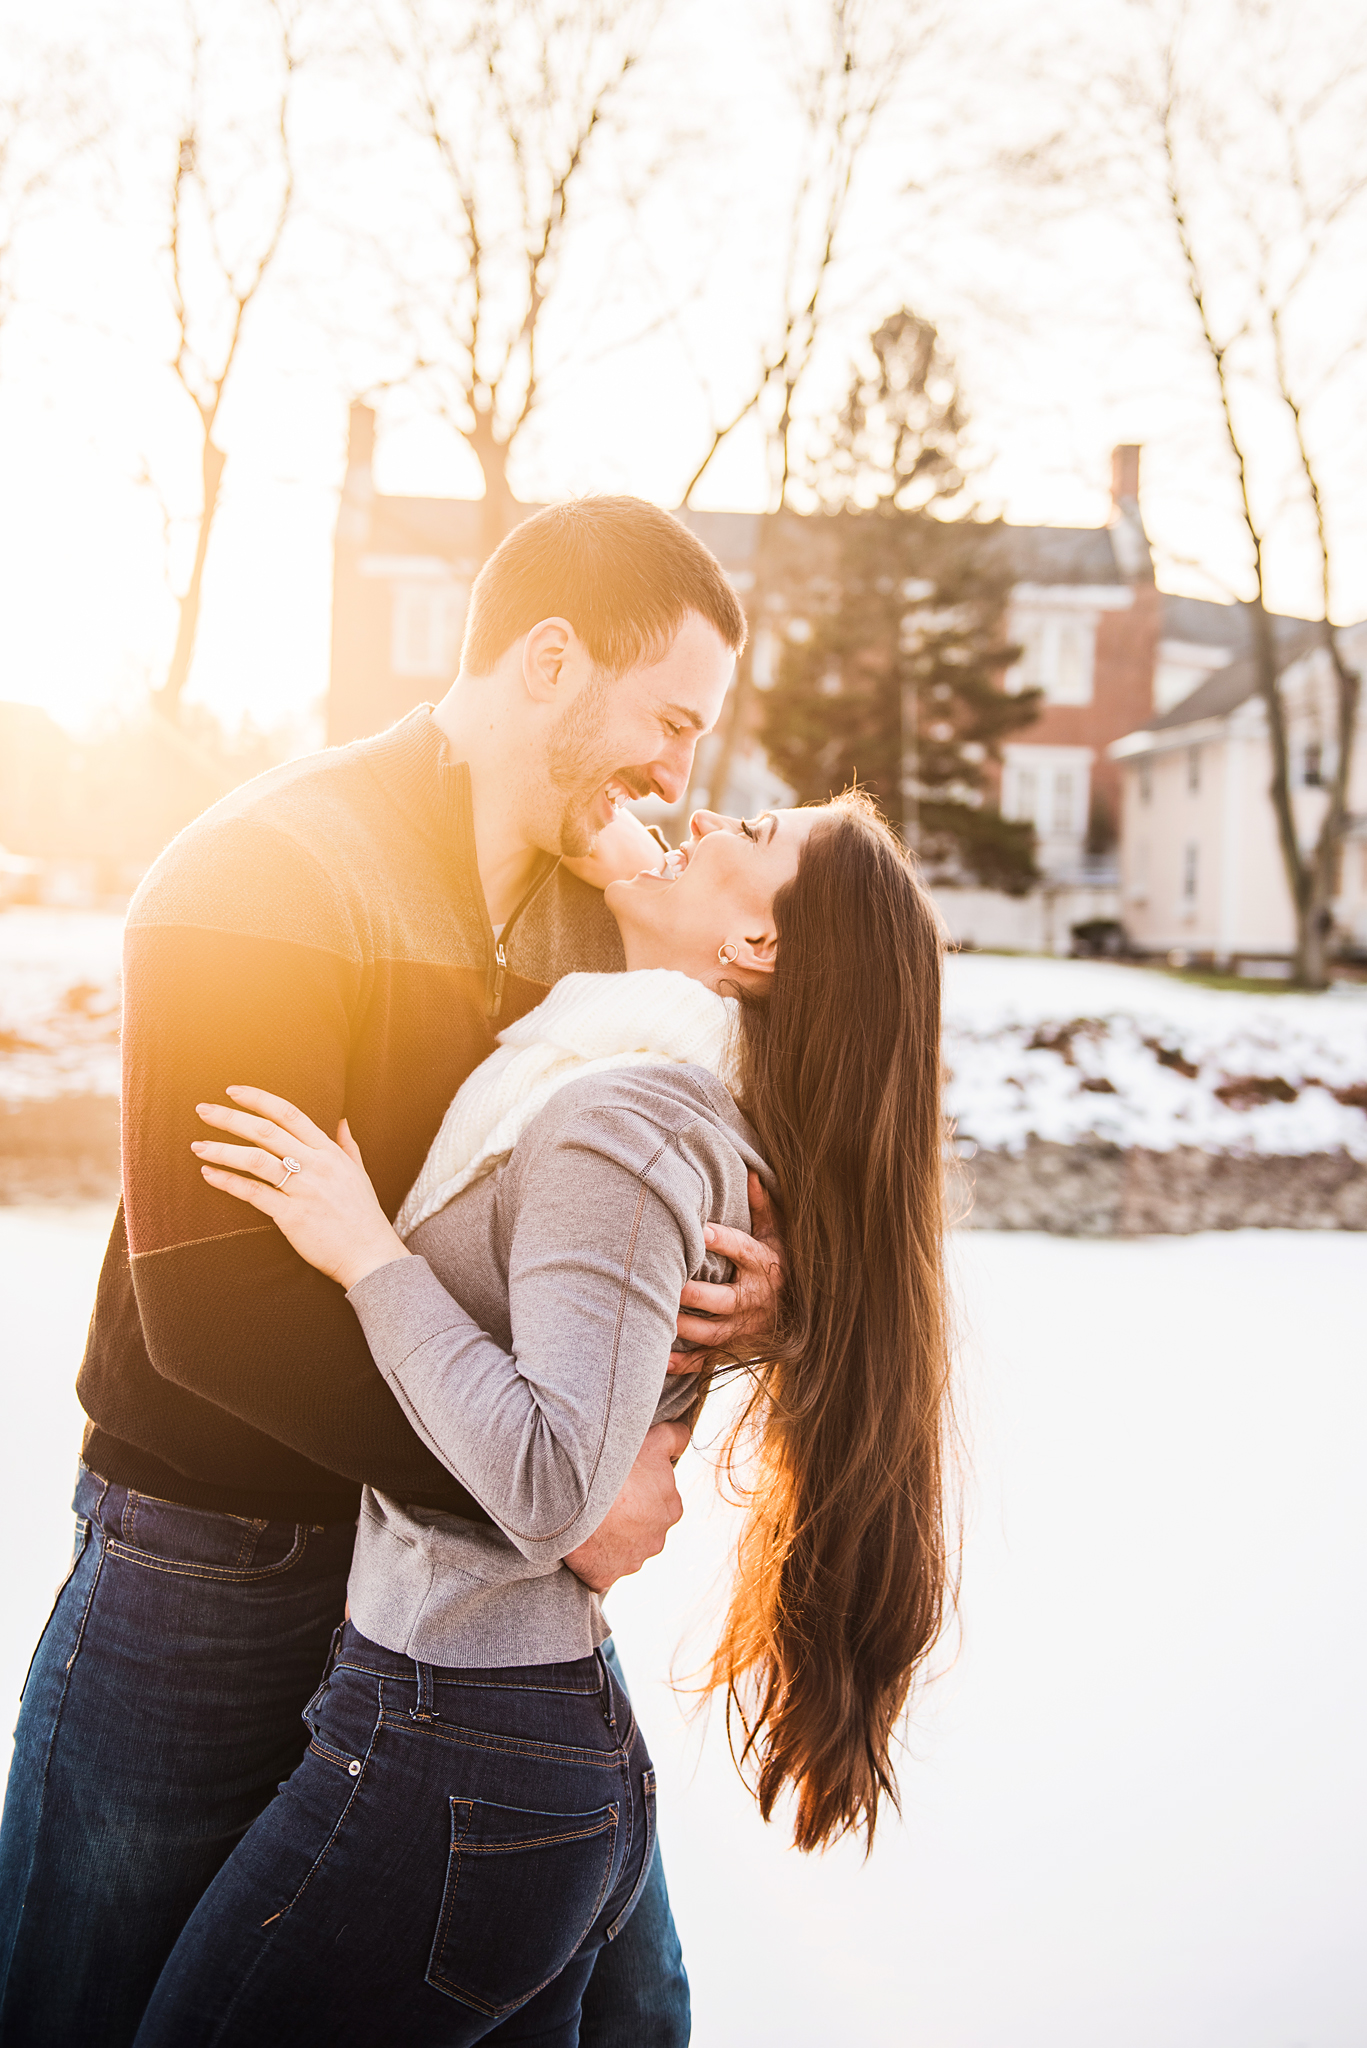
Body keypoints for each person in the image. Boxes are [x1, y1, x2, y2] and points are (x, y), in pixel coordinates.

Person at [0, 499, 784, 2048]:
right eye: (667, 722)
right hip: (217, 1566)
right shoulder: (265, 873)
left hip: (458, 1604)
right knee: (78, 2004)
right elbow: (218, 1314)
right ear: (549, 662)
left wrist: (777, 1300)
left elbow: (711, 1148)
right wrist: (537, 1491)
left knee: (622, 2006)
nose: (678, 782)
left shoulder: (601, 914)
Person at [130, 791, 956, 2045]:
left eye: (755, 831)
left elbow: (552, 1483)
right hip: (491, 1735)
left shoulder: (616, 1120)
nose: (703, 811)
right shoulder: (633, 1085)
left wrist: (365, 1253)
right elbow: (608, 829)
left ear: (759, 950)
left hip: (456, 1746)